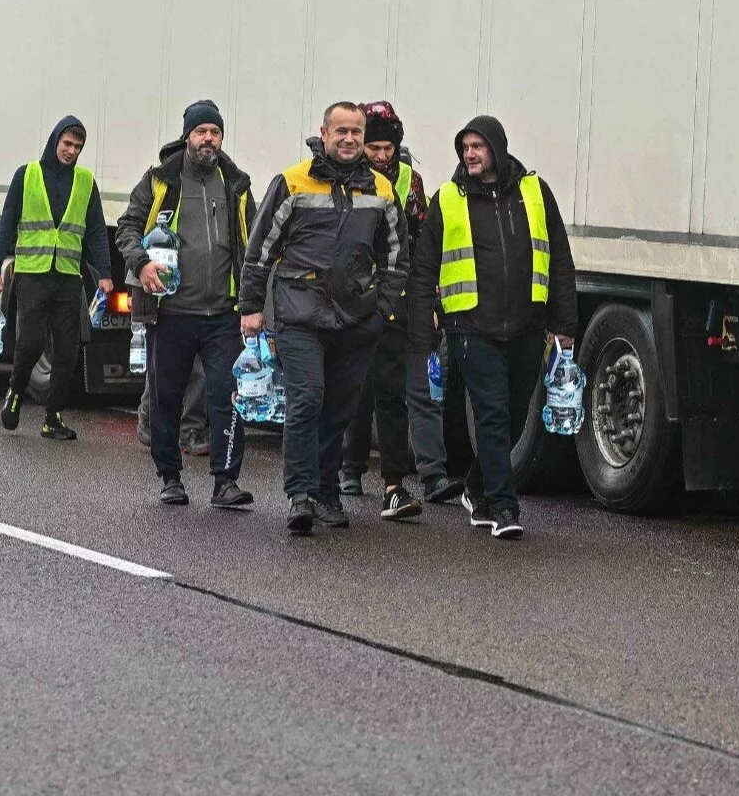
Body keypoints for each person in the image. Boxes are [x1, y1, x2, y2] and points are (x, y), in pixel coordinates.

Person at [407, 115, 578, 540]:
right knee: (492, 412)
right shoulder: (448, 198)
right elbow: (425, 264)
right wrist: (424, 314)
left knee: (517, 414)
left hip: (526, 324)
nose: (470, 154)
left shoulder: (536, 192)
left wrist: (565, 323)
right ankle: (504, 506)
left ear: (497, 149)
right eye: (465, 148)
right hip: (471, 326)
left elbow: (560, 259)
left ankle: (479, 489)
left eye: (477, 147)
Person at [240, 101, 404, 534]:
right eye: (341, 131)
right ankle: (300, 495)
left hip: (356, 318)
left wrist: (382, 310)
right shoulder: (291, 181)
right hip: (300, 312)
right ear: (324, 133)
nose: (349, 139)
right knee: (307, 400)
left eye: (357, 132)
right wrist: (251, 307)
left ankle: (328, 492)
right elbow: (260, 251)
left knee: (338, 411)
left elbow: (396, 258)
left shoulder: (382, 189)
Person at [117, 99, 255, 509]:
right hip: (171, 311)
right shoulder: (160, 181)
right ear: (188, 136)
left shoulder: (236, 183)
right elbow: (127, 227)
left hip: (224, 314)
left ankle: (225, 482)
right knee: (166, 396)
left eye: (215, 132)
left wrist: (253, 300)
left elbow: (253, 243)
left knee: (228, 396)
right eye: (201, 132)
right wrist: (141, 265)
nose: (208, 139)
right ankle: (170, 477)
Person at [339, 101, 454, 519]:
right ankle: (350, 467)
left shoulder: (410, 180)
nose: (382, 156)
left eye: (388, 148)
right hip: (357, 296)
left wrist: (429, 299)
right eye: (375, 148)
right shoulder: (350, 178)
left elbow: (423, 241)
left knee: (400, 390)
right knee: (360, 387)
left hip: (399, 296)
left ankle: (411, 478)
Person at [0, 115, 112, 440]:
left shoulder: (85, 181)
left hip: (68, 276)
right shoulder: (26, 175)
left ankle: (53, 417)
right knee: (30, 344)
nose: (71, 151)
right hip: (32, 274)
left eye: (78, 147)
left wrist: (106, 275)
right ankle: (15, 393)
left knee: (68, 349)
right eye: (67, 144)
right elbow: (6, 223)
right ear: (55, 141)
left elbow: (97, 231)